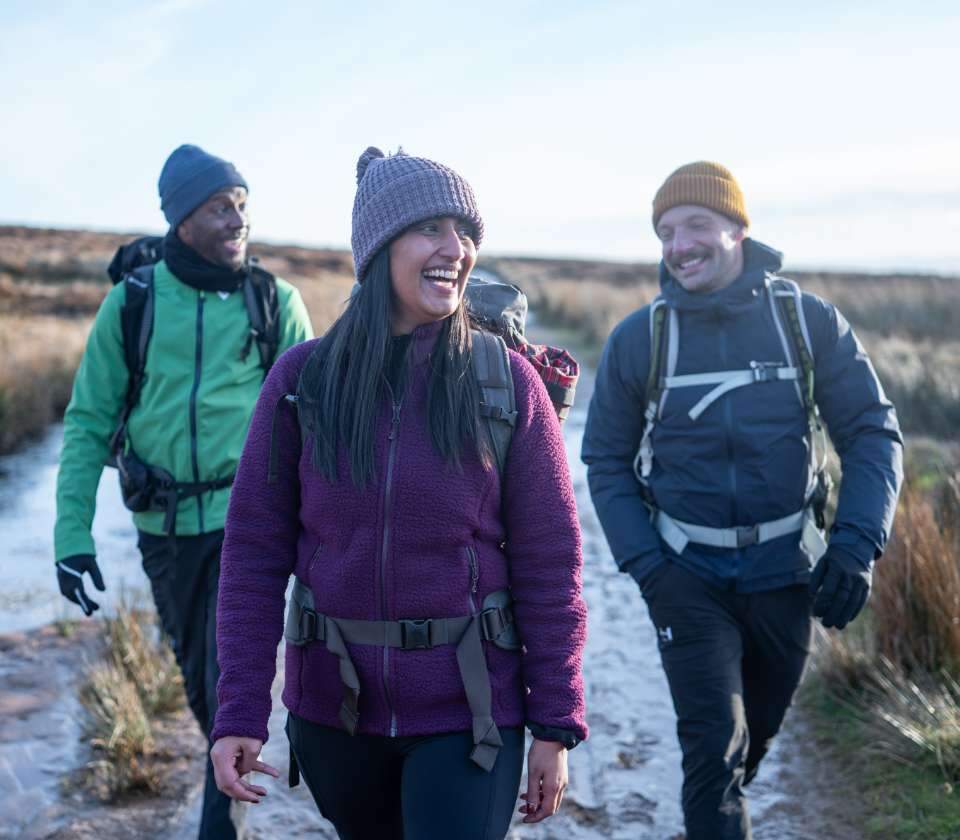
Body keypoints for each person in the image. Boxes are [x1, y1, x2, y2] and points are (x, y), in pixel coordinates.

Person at [209, 146, 588, 840]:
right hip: (334, 712)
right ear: (379, 247)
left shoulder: (507, 386)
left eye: (465, 232)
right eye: (430, 228)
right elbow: (254, 556)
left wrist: (555, 723)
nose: (457, 249)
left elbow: (550, 562)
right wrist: (240, 710)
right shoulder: (303, 382)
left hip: (471, 715)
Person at [582, 162, 903, 840]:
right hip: (686, 577)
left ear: (737, 228)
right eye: (666, 232)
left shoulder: (805, 321)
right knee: (712, 751)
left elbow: (872, 432)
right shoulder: (641, 337)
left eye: (696, 225)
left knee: (752, 740)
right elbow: (604, 461)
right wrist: (650, 568)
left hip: (785, 572)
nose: (679, 246)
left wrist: (856, 543)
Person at [54, 144, 314, 839]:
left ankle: (220, 828)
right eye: (219, 206)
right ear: (182, 220)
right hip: (164, 533)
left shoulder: (275, 303)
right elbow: (86, 422)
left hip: (249, 529)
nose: (237, 218)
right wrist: (72, 536)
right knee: (204, 695)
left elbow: (315, 428)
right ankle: (230, 796)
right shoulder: (133, 304)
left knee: (230, 692)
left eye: (242, 204)